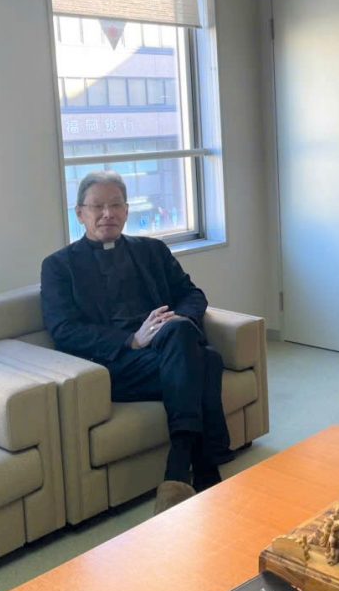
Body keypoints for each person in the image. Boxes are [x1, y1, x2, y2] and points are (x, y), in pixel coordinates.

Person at [40, 170, 233, 513]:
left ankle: (181, 466)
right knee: (208, 361)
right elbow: (64, 329)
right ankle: (203, 463)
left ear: (127, 210)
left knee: (180, 333)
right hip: (115, 364)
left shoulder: (152, 251)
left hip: (168, 350)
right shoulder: (58, 266)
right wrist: (132, 339)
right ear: (80, 213)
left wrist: (179, 319)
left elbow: (192, 295)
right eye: (97, 206)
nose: (107, 214)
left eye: (116, 205)